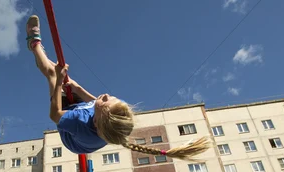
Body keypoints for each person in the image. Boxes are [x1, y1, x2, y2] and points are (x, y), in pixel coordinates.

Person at [24, 15, 209, 160]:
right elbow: (93, 102)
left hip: (71, 137)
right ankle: (44, 59)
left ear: (95, 121)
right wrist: (78, 88)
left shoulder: (79, 122)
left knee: (52, 73)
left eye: (105, 100)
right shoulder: (106, 118)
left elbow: (55, 115)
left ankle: (34, 43)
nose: (105, 95)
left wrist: (59, 82)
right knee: (61, 73)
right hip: (94, 123)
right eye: (112, 98)